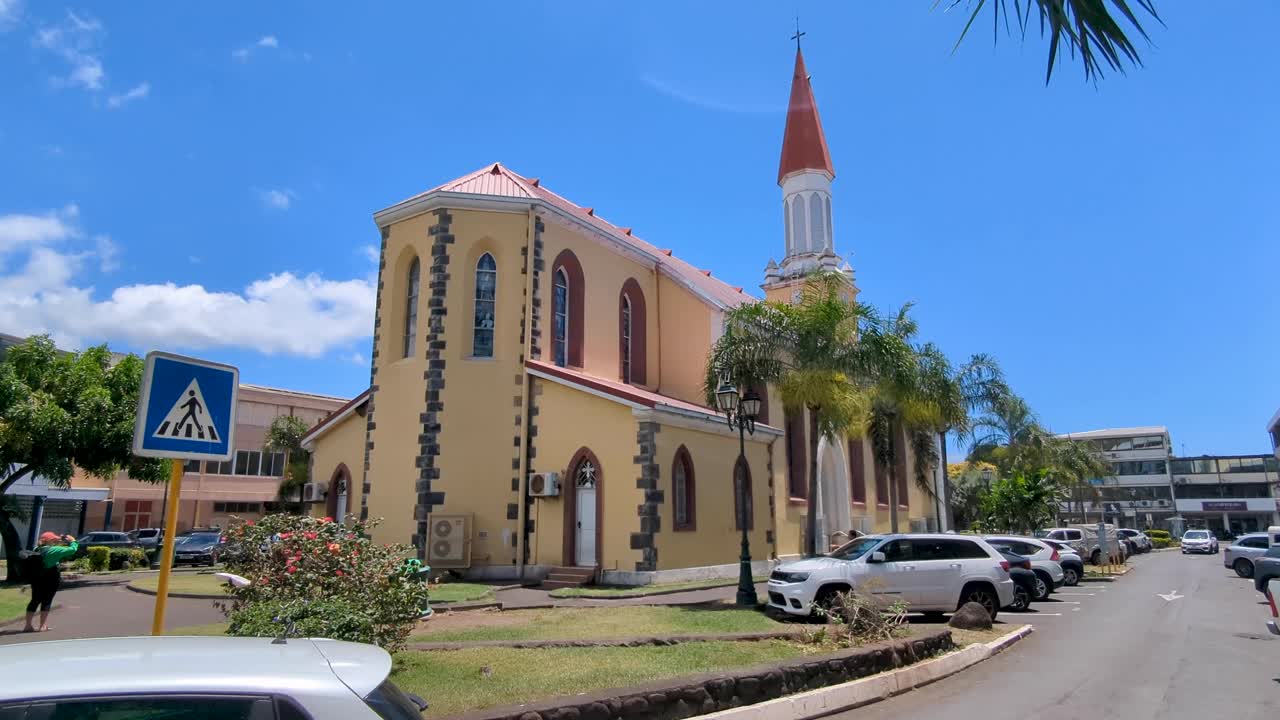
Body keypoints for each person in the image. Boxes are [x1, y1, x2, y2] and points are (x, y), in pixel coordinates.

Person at [23, 532, 78, 633]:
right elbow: (72, 550)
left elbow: (57, 545)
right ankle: (42, 626)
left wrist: (61, 539)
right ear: (50, 541)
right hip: (51, 578)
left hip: (36, 578)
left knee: (34, 600)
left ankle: (28, 625)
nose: (56, 540)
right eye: (54, 539)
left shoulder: (36, 549)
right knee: (46, 601)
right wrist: (73, 541)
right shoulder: (54, 550)